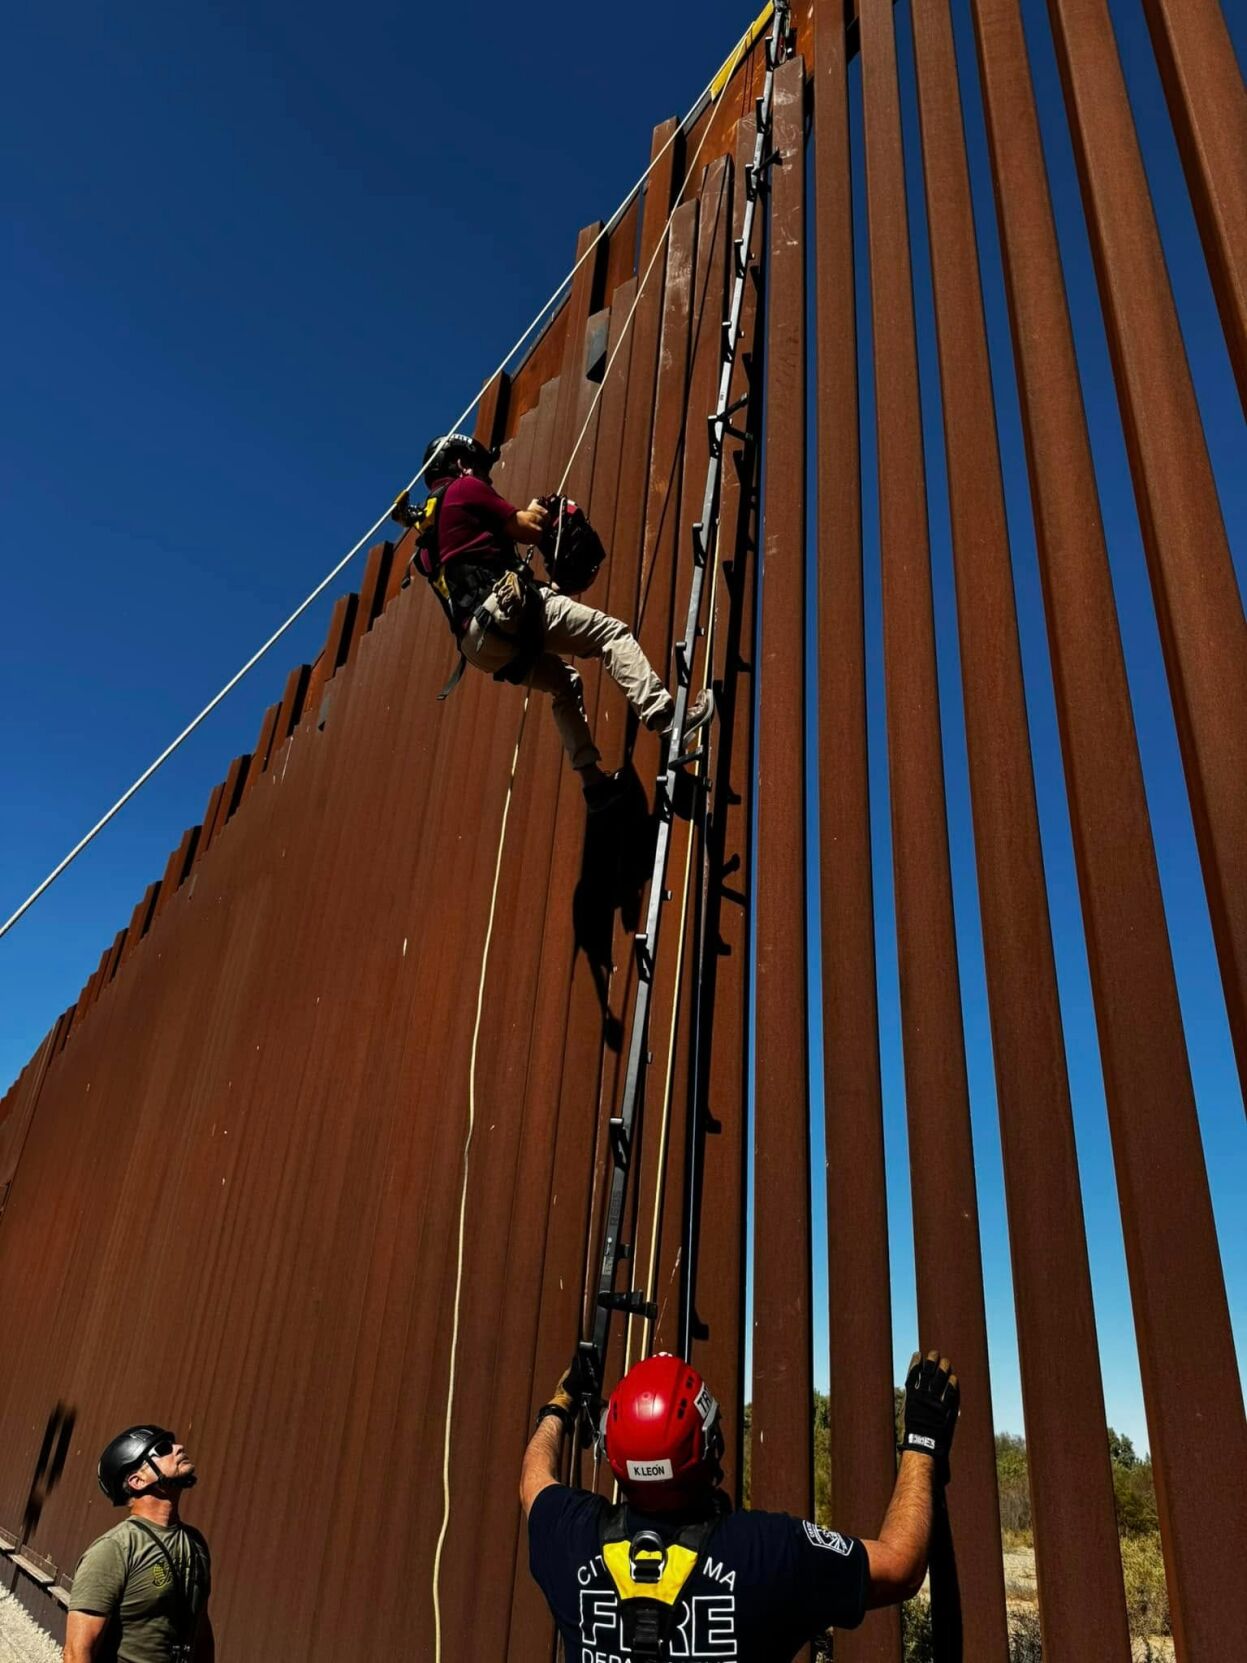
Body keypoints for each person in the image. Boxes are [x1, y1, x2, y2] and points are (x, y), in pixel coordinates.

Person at [521, 1349, 959, 1661]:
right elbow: (901, 1566)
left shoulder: (569, 1537)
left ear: (612, 1453)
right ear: (712, 1445)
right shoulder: (766, 1554)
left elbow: (533, 1480)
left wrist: (559, 1405)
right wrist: (923, 1437)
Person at [394, 433, 714, 812]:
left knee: (565, 684)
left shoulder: (427, 537)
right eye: (480, 466)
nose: (487, 476)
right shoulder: (465, 489)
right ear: (461, 464)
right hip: (505, 608)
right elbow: (528, 529)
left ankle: (594, 784)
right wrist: (536, 511)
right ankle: (668, 720)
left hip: (478, 646)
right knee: (611, 634)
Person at [64, 1426, 212, 1663]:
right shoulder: (114, 1549)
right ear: (137, 1480)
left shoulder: (196, 1543)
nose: (179, 1448)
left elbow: (201, 1629)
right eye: (164, 1449)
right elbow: (76, 1652)